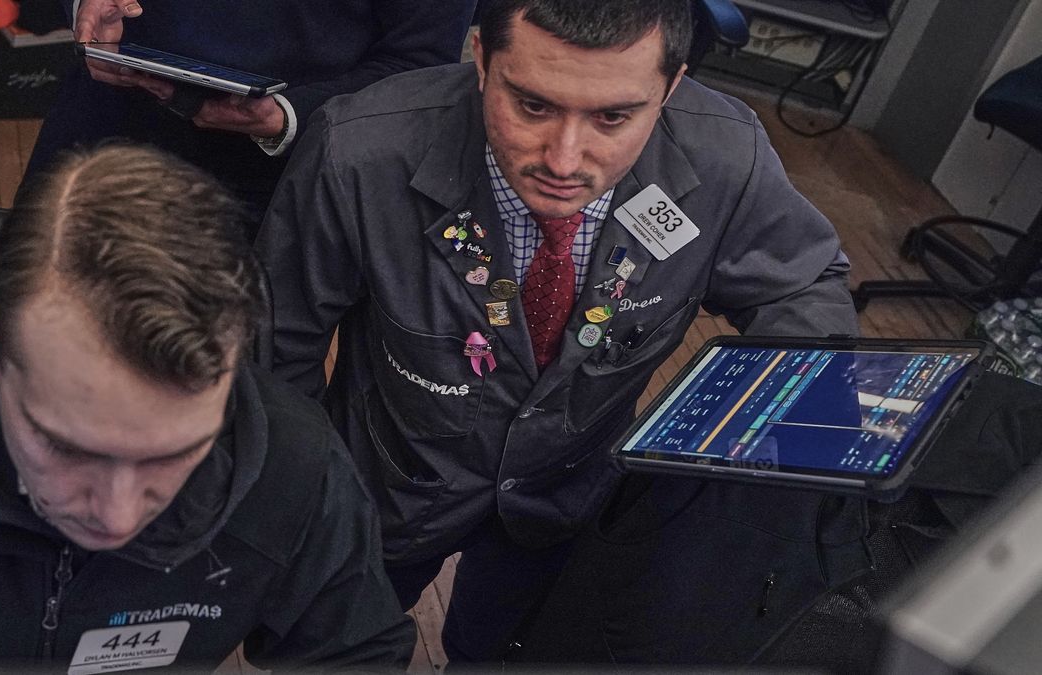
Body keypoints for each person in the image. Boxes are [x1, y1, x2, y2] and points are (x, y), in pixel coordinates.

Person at [256, 0, 860, 664]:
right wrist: (308, 504)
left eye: (613, 117)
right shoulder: (360, 150)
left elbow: (801, 287)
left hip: (569, 493)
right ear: (481, 59)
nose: (564, 160)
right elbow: (277, 346)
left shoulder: (725, 156)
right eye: (533, 106)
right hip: (387, 488)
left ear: (672, 87)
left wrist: (754, 426)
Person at [0, 144, 415, 670]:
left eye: (176, 454)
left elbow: (358, 653)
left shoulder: (294, 464)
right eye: (67, 448)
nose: (117, 518)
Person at [23, 0, 477, 228]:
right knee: (24, 333)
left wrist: (290, 116)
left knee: (223, 369)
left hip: (277, 179)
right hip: (103, 124)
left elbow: (417, 63)